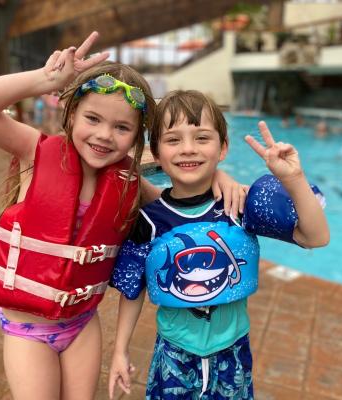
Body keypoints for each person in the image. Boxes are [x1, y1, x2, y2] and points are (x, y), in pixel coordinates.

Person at [0, 33, 245, 400]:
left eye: (122, 128)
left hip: (81, 327)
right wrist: (45, 81)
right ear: (72, 113)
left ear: (136, 137)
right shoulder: (36, 151)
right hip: (27, 331)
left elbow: (181, 202)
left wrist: (216, 174)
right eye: (93, 118)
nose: (104, 136)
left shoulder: (128, 184)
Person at [108, 90, 329, 400]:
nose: (188, 149)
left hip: (233, 354)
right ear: (156, 154)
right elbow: (134, 289)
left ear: (223, 148)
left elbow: (315, 237)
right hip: (173, 353)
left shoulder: (239, 206)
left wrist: (294, 178)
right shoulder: (150, 220)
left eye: (202, 138)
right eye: (173, 140)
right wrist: (120, 350)